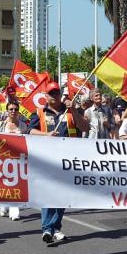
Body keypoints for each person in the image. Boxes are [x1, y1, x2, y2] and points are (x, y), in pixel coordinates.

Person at [29, 82, 90, 243]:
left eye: (56, 93)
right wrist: (46, 135)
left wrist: (74, 111)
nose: (54, 95)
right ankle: (47, 229)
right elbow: (29, 131)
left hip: (68, 159)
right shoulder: (39, 112)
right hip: (46, 159)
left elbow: (85, 128)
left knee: (62, 194)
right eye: (51, 93)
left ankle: (55, 227)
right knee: (48, 193)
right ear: (46, 95)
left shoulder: (70, 111)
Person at [0, 101, 27, 221]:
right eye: (11, 109)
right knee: (4, 182)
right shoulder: (1, 126)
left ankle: (14, 211)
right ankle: (3, 204)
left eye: (15, 109)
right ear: (7, 111)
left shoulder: (23, 126)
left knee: (16, 184)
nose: (13, 111)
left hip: (18, 159)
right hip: (3, 158)